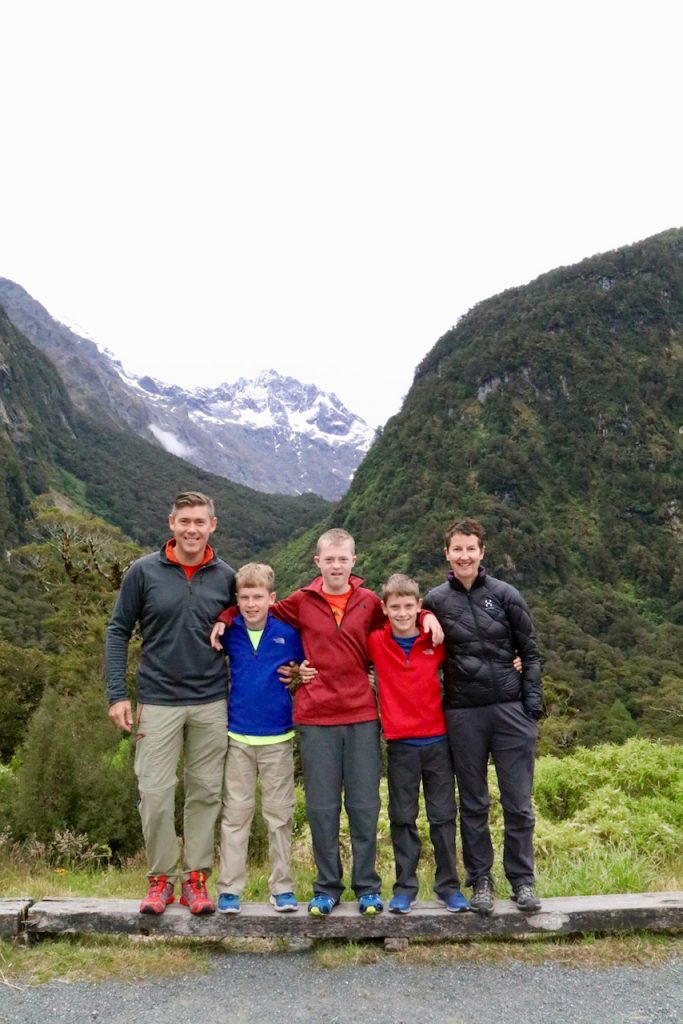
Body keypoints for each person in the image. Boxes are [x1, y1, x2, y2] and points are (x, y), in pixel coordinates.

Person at [211, 527, 443, 916]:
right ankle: (326, 887)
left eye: (343, 558)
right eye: (329, 559)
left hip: (361, 715)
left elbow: (399, 622)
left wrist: (428, 614)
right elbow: (257, 606)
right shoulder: (301, 602)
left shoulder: (369, 602)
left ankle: (367, 886)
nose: (336, 565)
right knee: (321, 807)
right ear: (317, 562)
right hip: (316, 717)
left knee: (364, 804)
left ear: (353, 561)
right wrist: (226, 614)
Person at [106, 491, 235, 915]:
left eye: (200, 521)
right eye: (185, 521)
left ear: (212, 525)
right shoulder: (143, 572)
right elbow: (118, 630)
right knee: (155, 793)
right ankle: (160, 880)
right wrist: (116, 694)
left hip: (211, 701)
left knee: (204, 792)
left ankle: (195, 881)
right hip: (157, 701)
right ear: (171, 523)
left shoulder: (226, 577)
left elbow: (249, 623)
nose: (192, 529)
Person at [423, 517, 543, 915]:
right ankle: (481, 881)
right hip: (462, 713)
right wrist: (424, 616)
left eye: (470, 548)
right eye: (457, 549)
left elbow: (530, 651)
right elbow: (409, 632)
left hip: (510, 711)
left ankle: (522, 881)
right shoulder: (436, 601)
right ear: (447, 554)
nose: (464, 556)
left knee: (518, 802)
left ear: (481, 552)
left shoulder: (506, 595)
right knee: (473, 803)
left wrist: (531, 708)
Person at [368, 574, 469, 914]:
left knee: (443, 816)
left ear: (419, 606)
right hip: (400, 744)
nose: (401, 613)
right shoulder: (376, 642)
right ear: (384, 608)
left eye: (409, 606)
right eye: (394, 607)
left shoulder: (435, 641)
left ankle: (448, 887)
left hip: (438, 741)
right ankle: (405, 889)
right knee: (402, 818)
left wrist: (516, 659)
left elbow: (471, 655)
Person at [216, 562, 305, 915]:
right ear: (236, 600)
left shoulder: (289, 633)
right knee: (236, 815)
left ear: (272, 597)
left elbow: (304, 671)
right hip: (237, 736)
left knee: (279, 815)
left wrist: (297, 675)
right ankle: (229, 890)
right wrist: (224, 617)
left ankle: (282, 887)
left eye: (258, 597)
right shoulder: (229, 632)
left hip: (278, 737)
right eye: (245, 598)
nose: (251, 604)